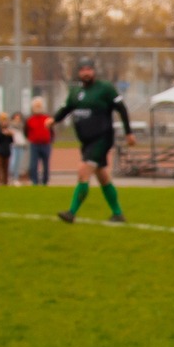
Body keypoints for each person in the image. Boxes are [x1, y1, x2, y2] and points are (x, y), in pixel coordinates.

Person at [53, 58, 134, 223]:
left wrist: (128, 133)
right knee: (102, 176)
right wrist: (53, 120)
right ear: (79, 73)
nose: (86, 72)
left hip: (102, 138)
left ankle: (71, 212)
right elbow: (66, 108)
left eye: (89, 69)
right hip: (87, 141)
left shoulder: (105, 88)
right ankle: (118, 213)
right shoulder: (76, 92)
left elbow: (122, 109)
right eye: (83, 69)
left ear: (94, 71)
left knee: (83, 171)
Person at [24, 99, 54, 187]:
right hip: (35, 144)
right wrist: (31, 138)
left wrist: (50, 139)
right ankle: (35, 181)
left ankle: (45, 181)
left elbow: (51, 131)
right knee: (34, 164)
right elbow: (26, 131)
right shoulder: (30, 120)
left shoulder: (47, 118)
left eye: (39, 106)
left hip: (45, 144)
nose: (38, 107)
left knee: (46, 164)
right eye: (36, 106)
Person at [0, 112, 15, 186]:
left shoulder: (9, 130)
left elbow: (11, 141)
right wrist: (3, 133)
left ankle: (5, 184)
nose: (4, 122)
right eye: (3, 120)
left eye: (6, 120)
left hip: (6, 152)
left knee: (6, 170)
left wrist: (10, 134)